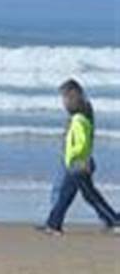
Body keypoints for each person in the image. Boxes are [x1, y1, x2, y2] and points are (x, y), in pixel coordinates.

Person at [40, 79, 117, 234]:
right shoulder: (78, 117)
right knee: (77, 194)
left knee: (78, 195)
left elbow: (82, 143)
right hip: (77, 163)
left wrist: (72, 155)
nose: (64, 102)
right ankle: (53, 224)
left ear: (73, 97)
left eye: (66, 98)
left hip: (79, 163)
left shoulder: (80, 119)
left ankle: (114, 220)